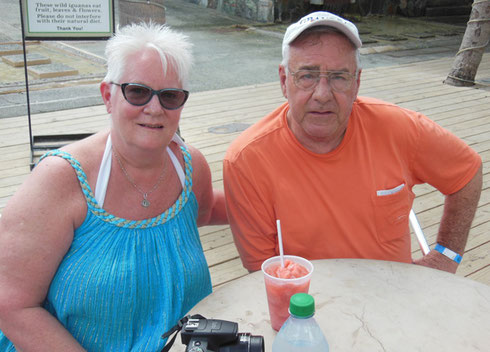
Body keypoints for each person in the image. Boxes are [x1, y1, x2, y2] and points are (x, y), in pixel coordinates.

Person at [0, 22, 227, 351]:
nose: (154, 108)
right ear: (108, 95)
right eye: (137, 91)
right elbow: (11, 304)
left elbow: (206, 212)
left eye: (170, 96)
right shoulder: (61, 179)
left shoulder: (191, 168)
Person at [223, 11, 482, 274]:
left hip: (396, 296)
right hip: (303, 304)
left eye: (338, 77)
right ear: (283, 81)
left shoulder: (399, 128)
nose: (322, 94)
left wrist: (446, 254)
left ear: (357, 82)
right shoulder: (247, 160)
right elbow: (262, 273)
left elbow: (468, 172)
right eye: (307, 76)